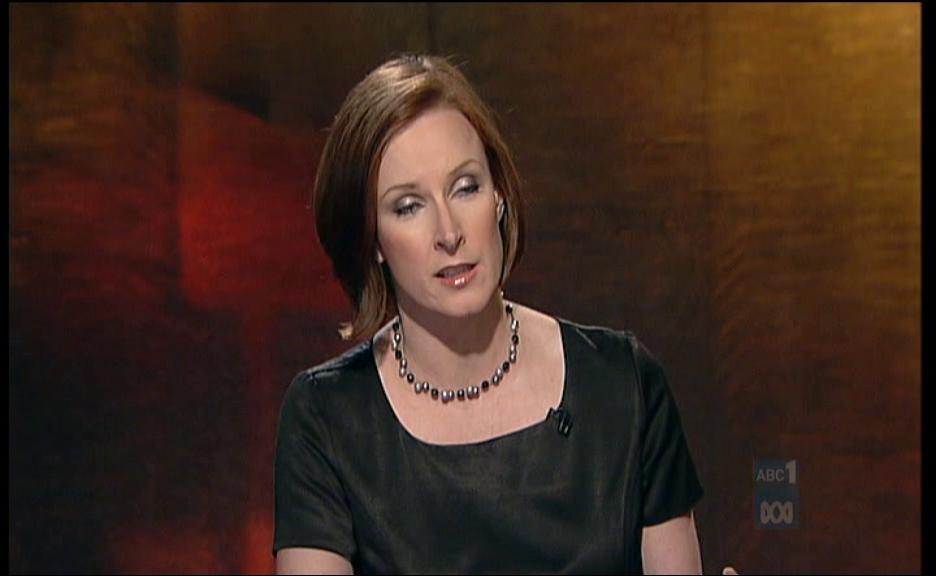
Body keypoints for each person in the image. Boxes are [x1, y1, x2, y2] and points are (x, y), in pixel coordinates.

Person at [273, 53, 705, 574]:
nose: (448, 232)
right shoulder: (326, 419)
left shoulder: (624, 386)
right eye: (408, 206)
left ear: (498, 196)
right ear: (373, 240)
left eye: (466, 187)